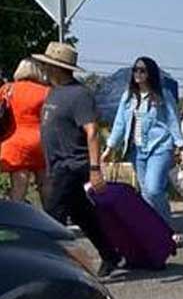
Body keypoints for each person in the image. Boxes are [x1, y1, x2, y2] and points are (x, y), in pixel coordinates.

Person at [34, 43, 121, 277]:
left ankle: (53, 269)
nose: (43, 67)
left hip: (72, 165)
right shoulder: (54, 91)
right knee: (83, 214)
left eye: (46, 64)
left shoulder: (79, 94)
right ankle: (110, 254)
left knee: (51, 218)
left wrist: (95, 169)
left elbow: (91, 132)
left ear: (57, 68)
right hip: (58, 165)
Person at [103, 56, 183, 223]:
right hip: (136, 150)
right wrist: (110, 148)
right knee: (146, 193)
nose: (137, 73)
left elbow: (173, 121)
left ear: (150, 73)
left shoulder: (163, 95)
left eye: (142, 70)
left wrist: (181, 147)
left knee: (154, 189)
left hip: (159, 148)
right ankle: (155, 231)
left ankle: (165, 225)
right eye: (135, 70)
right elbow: (119, 123)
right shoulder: (128, 97)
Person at [0, 59, 51, 204]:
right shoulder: (46, 91)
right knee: (45, 184)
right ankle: (52, 219)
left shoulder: (7, 89)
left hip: (15, 142)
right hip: (41, 143)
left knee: (18, 187)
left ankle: (16, 221)